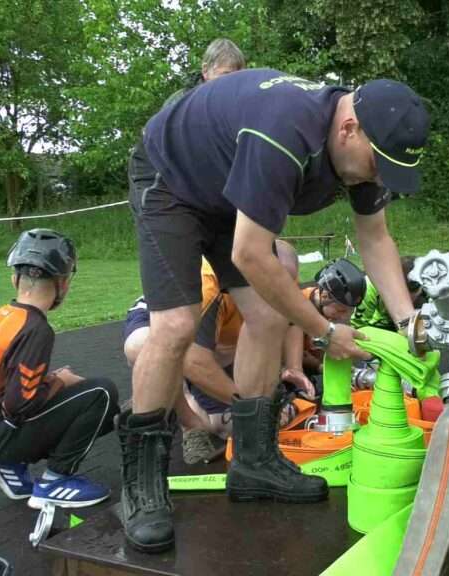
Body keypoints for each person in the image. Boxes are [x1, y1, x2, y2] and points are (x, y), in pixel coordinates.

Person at [121, 67, 428, 553]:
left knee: (265, 316)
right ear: (349, 129)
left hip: (223, 186)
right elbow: (250, 255)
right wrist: (325, 331)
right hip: (171, 179)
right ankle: (140, 487)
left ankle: (253, 461)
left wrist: (410, 322)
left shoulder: (364, 146)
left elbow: (375, 238)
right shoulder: (286, 132)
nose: (377, 177)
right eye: (377, 165)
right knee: (176, 325)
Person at [123, 240, 311, 465]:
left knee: (230, 426)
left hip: (219, 342)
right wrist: (249, 406)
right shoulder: (210, 287)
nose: (279, 297)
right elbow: (192, 360)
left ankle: (158, 393)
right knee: (142, 347)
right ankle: (187, 422)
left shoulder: (282, 276)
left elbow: (292, 320)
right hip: (167, 324)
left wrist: (294, 366)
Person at [0, 229, 119, 510]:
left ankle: (8, 466)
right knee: (102, 393)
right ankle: (54, 482)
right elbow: (19, 406)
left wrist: (52, 381)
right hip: (3, 434)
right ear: (63, 283)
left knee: (76, 392)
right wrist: (60, 381)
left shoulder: (5, 315)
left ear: (15, 278)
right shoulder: (36, 329)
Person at [293, 258, 368, 376]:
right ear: (324, 296)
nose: (343, 317)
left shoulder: (327, 310)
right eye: (340, 310)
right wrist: (322, 368)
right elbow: (292, 354)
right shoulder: (298, 306)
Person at [350, 256, 424, 332]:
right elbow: (357, 327)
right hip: (373, 327)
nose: (406, 303)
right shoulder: (370, 286)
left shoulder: (426, 292)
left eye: (412, 299)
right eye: (397, 299)